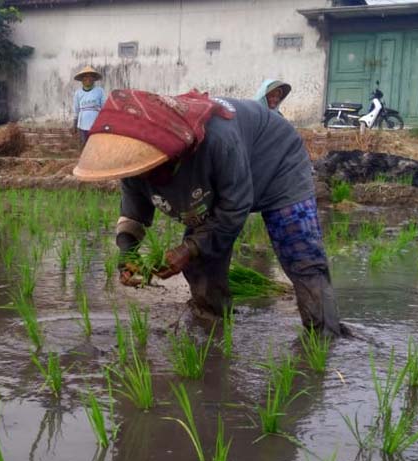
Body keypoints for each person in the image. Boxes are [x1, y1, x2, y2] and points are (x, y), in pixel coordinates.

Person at [73, 89, 344, 336]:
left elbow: (234, 208)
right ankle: (212, 330)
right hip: (219, 179)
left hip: (277, 165)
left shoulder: (217, 140)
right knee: (200, 263)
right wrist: (127, 255)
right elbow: (133, 215)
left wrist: (187, 247)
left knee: (301, 254)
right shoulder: (134, 159)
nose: (137, 176)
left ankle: (324, 336)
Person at [72, 65, 106, 145]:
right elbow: (76, 109)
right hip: (82, 123)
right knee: (84, 144)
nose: (88, 79)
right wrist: (74, 124)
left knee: (95, 144)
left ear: (94, 79)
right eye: (85, 77)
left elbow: (104, 107)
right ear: (82, 80)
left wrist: (104, 121)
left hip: (96, 122)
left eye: (90, 77)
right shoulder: (78, 93)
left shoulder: (99, 91)